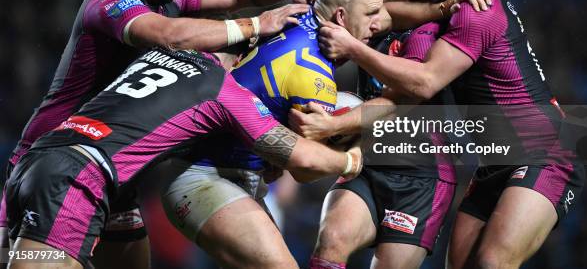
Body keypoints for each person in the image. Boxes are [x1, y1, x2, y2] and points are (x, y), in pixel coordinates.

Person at [0, 0, 316, 269]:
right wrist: (256, 24)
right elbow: (169, 34)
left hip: (109, 170)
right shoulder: (107, 4)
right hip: (60, 158)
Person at [310, 0, 584, 269]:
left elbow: (422, 83)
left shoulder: (476, 13)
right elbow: (385, 11)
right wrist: (438, 5)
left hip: (544, 152)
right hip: (494, 161)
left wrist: (353, 46)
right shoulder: (454, 4)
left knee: (492, 262)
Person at [4, 46, 363, 269]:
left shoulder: (158, 55)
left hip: (52, 163)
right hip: (80, 175)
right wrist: (353, 160)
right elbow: (301, 158)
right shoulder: (223, 87)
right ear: (241, 59)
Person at [158, 0, 382, 269]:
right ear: (341, 17)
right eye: (371, 14)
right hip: (203, 177)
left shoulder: (291, 17)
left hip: (226, 172)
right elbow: (304, 169)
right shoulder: (312, 73)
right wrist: (356, 148)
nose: (377, 24)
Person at [290, 0, 477, 269]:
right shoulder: (374, 19)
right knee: (331, 240)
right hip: (367, 160)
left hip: (421, 177)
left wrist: (331, 125)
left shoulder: (428, 36)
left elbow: (396, 102)